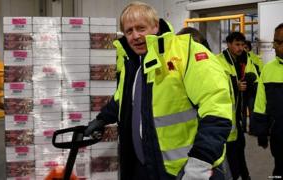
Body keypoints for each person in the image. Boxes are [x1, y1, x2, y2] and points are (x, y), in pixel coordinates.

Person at [84, 1, 233, 179]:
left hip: (183, 171)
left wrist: (199, 164)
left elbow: (216, 111)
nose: (135, 36)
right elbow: (124, 99)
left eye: (141, 28)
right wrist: (102, 119)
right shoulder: (133, 63)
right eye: (129, 31)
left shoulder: (186, 52)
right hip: (144, 166)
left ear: (156, 26)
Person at [217, 32, 259, 180]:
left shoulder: (245, 59)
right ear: (228, 44)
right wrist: (235, 86)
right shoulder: (219, 61)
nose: (240, 48)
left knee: (240, 146)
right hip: (227, 115)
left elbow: (254, 77)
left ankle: (244, 174)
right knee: (230, 150)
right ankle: (235, 175)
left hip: (239, 113)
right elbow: (217, 86)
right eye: (237, 44)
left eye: (242, 44)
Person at [253, 23, 283, 177]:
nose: (276, 47)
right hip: (279, 136)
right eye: (275, 42)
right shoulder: (268, 69)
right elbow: (260, 102)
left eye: (280, 43)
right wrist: (261, 131)